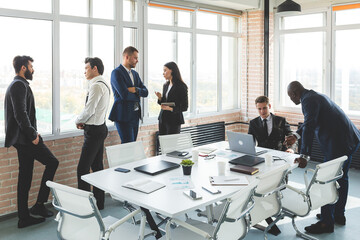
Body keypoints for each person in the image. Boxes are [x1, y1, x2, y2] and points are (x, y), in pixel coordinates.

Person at [284, 81, 360, 234]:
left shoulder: (308, 101)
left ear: (293, 94)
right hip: (350, 139)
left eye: (290, 97)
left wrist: (304, 155)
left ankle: (326, 222)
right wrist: (296, 135)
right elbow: (310, 122)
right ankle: (338, 215)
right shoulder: (313, 96)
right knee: (341, 178)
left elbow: (310, 127)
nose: (291, 100)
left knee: (326, 180)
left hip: (338, 144)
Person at [4, 56, 59, 228]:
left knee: (25, 176)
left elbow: (23, 114)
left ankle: (24, 216)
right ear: (23, 68)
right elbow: (21, 114)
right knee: (52, 162)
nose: (32, 70)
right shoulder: (19, 85)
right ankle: (39, 205)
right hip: (26, 140)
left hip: (23, 139)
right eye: (30, 67)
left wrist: (32, 131)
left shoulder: (18, 85)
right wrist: (33, 135)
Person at [75, 57, 110, 210]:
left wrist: (78, 120)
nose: (84, 71)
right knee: (97, 168)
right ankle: (99, 202)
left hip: (94, 131)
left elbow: (90, 109)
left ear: (95, 68)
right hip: (99, 128)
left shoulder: (96, 86)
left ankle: (85, 205)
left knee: (82, 169)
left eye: (87, 68)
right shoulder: (103, 84)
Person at [109, 46, 148, 143]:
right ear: (127, 57)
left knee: (132, 145)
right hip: (123, 116)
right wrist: (138, 95)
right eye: (135, 58)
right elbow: (124, 95)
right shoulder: (116, 73)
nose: (137, 60)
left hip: (135, 115)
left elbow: (146, 92)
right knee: (128, 146)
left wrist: (135, 89)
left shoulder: (135, 74)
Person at [155, 62, 188, 135]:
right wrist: (160, 98)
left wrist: (171, 109)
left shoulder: (181, 86)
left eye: (165, 70)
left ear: (172, 70)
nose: (163, 73)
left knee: (171, 145)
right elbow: (164, 103)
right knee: (163, 144)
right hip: (163, 119)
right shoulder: (166, 85)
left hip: (174, 120)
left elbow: (184, 107)